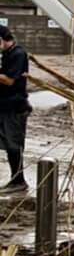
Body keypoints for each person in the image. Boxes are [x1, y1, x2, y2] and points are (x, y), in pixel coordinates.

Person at [0, 25, 30, 193]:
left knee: (13, 145)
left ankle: (18, 180)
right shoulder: (6, 54)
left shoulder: (18, 54)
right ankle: (15, 179)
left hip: (15, 107)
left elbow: (10, 80)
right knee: (7, 143)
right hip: (4, 106)